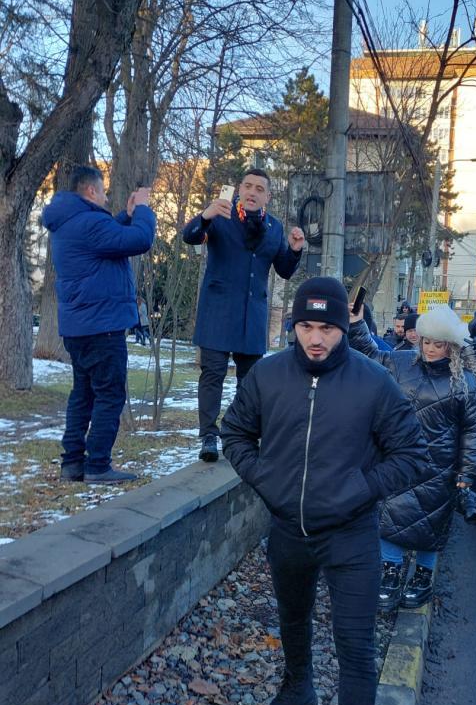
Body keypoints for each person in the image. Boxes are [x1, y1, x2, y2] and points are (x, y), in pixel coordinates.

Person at [221, 277, 429, 705]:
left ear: (344, 327)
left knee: (357, 651)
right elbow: (235, 433)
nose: (317, 338)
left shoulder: (373, 383)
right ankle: (297, 690)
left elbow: (413, 454)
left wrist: (359, 490)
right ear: (294, 326)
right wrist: (268, 481)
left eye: (328, 327)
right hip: (288, 528)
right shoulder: (267, 374)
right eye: (307, 326)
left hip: (351, 536)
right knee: (291, 618)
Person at [350, 303, 476, 612]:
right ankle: (390, 575)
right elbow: (373, 356)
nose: (430, 349)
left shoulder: (466, 382)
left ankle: (422, 578)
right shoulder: (402, 364)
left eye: (438, 344)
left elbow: (475, 433)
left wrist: (467, 476)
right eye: (427, 342)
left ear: (451, 345)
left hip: (441, 467)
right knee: (391, 518)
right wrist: (357, 324)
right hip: (401, 458)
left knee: (432, 526)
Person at [42, 166, 155, 484]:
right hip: (102, 326)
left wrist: (126, 214)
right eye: (103, 191)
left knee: (84, 395)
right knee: (109, 395)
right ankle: (98, 465)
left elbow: (108, 239)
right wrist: (143, 209)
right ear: (90, 191)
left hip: (79, 327)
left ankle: (73, 463)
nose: (106, 197)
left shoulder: (70, 222)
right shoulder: (90, 223)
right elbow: (140, 239)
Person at [182, 168, 304, 462]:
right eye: (247, 186)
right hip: (217, 312)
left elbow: (284, 270)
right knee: (212, 375)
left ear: (268, 197)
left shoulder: (273, 228)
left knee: (250, 381)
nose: (252, 192)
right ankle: (209, 436)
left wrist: (295, 250)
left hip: (253, 315)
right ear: (239, 189)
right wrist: (205, 215)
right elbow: (190, 236)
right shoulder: (220, 216)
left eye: (259, 189)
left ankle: (238, 434)